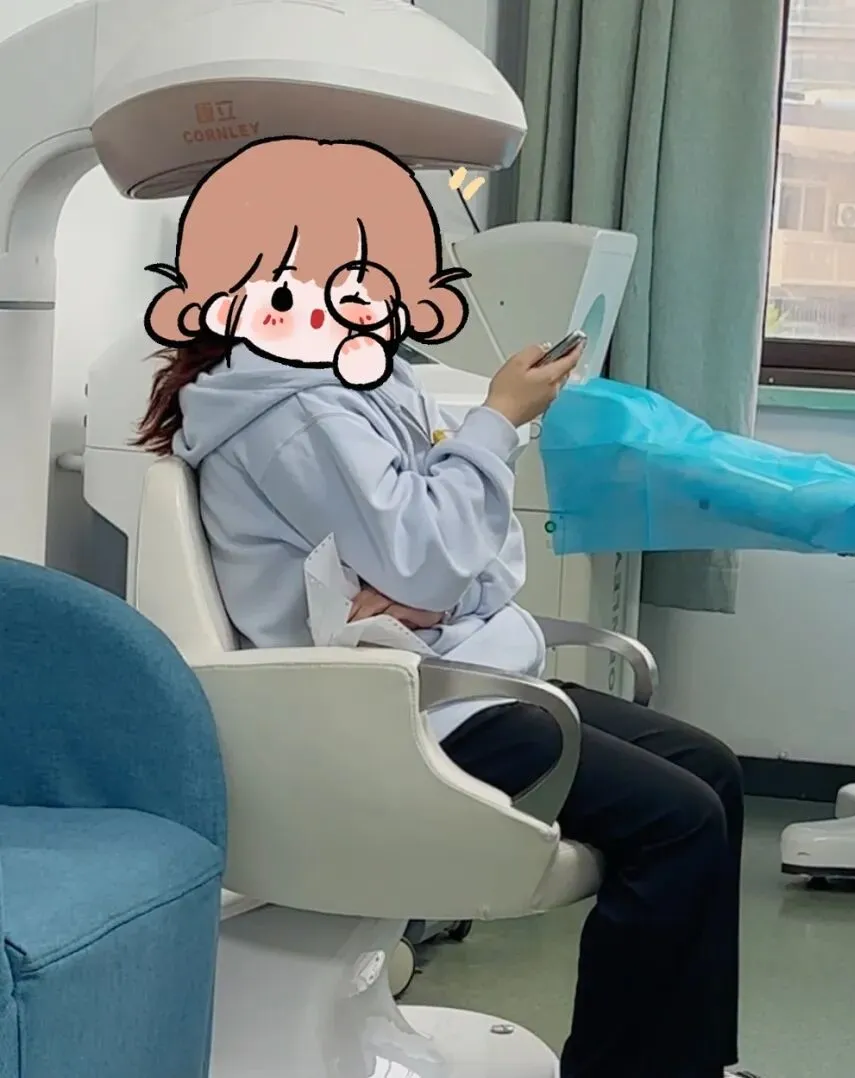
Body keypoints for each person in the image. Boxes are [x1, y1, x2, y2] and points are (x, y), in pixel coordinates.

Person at [135, 136, 755, 1078]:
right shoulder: (300, 414)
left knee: (711, 770)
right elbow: (437, 561)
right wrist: (494, 427)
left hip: (450, 676)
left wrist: (438, 568)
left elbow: (475, 560)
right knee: (681, 822)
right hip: (400, 713)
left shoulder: (360, 386)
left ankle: (687, 1063)